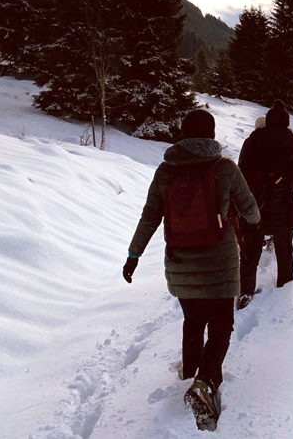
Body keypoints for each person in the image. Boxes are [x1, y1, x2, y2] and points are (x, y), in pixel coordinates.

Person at [123, 109, 260, 431]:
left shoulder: (165, 171)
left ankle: (189, 372)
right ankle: (204, 382)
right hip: (220, 261)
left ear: (183, 135)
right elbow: (249, 208)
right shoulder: (225, 168)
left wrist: (133, 254)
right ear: (211, 134)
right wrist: (253, 223)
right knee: (222, 324)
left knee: (193, 319)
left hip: (180, 262)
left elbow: (149, 216)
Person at [237, 100, 293, 309]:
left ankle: (245, 292)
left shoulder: (252, 141)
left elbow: (240, 177)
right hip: (283, 208)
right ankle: (285, 286)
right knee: (284, 250)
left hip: (254, 209)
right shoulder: (292, 143)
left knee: (249, 253)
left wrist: (237, 207)